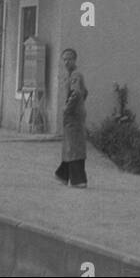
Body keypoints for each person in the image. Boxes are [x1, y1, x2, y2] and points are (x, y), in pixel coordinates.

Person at [54, 48, 88, 188]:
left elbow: (77, 94)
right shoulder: (70, 75)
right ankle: (63, 175)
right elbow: (85, 92)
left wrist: (67, 109)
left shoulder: (75, 75)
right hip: (73, 117)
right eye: (64, 59)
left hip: (73, 117)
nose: (66, 62)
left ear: (75, 60)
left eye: (69, 59)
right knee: (70, 147)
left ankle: (78, 180)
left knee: (74, 147)